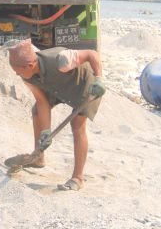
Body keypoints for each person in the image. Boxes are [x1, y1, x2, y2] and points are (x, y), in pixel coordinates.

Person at [7, 39, 105, 191]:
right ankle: (38, 157)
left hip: (85, 85)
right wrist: (45, 131)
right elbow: (42, 102)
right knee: (36, 113)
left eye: (18, 70)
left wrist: (98, 79)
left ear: (30, 65)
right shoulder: (27, 75)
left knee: (77, 126)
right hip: (58, 86)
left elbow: (91, 54)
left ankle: (77, 178)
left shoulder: (62, 60)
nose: (16, 73)